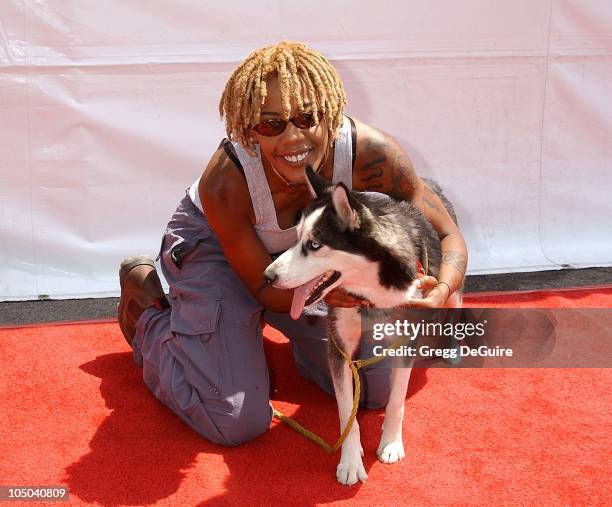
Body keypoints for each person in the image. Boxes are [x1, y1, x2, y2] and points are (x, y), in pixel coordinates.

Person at [117, 41, 467, 446]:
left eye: (306, 117)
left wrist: (441, 290)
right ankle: (148, 316)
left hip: (308, 259)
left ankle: (268, 348)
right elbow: (264, 289)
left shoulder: (372, 153)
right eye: (271, 124)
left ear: (329, 115)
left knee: (374, 389)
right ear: (249, 128)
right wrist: (331, 299)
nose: (293, 138)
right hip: (223, 256)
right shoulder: (225, 182)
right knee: (234, 420)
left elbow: (446, 232)